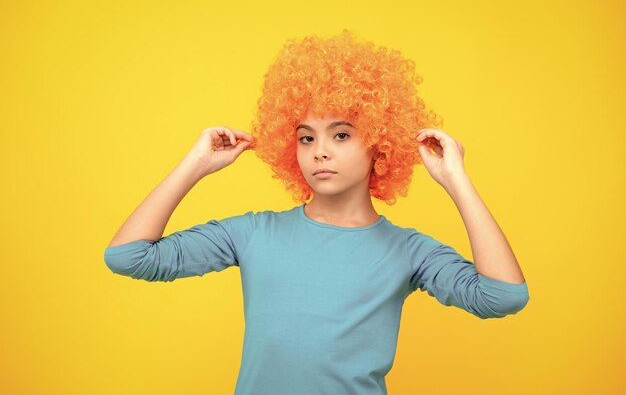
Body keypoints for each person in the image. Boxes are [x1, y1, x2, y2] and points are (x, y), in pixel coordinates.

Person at [104, 29, 529, 395]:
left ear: (379, 144)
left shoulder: (408, 251)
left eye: (341, 134)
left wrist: (456, 181)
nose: (320, 151)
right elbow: (127, 257)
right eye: (306, 138)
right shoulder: (254, 234)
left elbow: (503, 296)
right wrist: (194, 165)